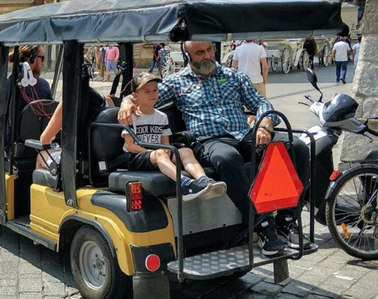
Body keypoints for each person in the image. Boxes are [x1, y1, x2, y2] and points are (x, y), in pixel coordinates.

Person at [117, 41, 310, 256]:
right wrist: (126, 102)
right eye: (200, 52)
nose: (207, 55)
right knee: (226, 159)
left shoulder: (234, 76)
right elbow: (145, 95)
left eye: (210, 50)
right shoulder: (176, 83)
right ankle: (262, 226)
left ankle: (287, 220)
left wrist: (265, 125)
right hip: (209, 141)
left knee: (297, 146)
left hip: (245, 135)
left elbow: (261, 103)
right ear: (187, 55)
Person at [117, 72, 227, 201]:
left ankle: (204, 181)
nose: (152, 94)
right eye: (147, 91)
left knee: (185, 151)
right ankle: (185, 185)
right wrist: (154, 152)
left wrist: (167, 151)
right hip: (136, 156)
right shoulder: (131, 117)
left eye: (155, 90)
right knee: (160, 154)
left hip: (156, 154)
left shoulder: (162, 117)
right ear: (135, 96)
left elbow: (166, 143)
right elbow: (130, 145)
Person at [0, 45, 51, 197]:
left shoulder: (4, 85)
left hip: (10, 145)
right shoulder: (44, 85)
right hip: (35, 143)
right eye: (41, 58)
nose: (42, 63)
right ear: (31, 60)